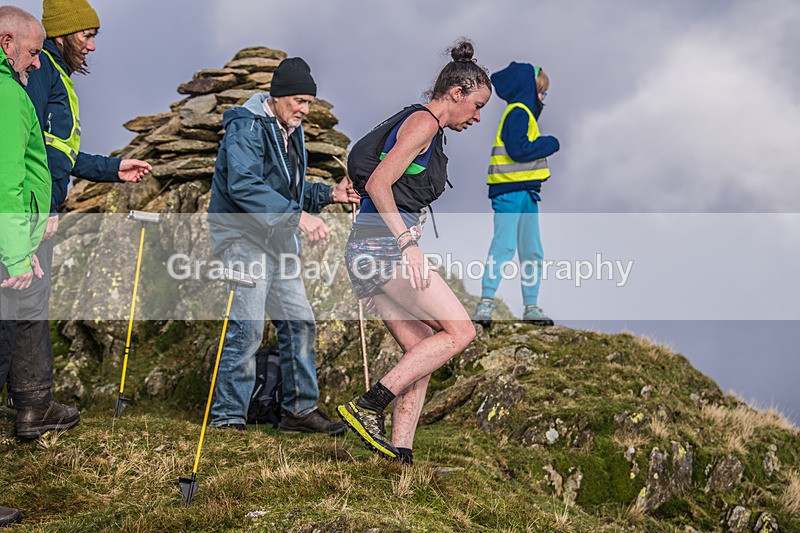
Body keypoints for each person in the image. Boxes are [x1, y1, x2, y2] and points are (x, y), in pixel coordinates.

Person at [336, 39, 491, 465]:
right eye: (476, 105)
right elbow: (377, 183)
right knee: (461, 331)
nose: (477, 117)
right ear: (456, 93)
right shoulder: (423, 124)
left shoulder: (424, 126)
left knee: (422, 348)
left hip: (367, 248)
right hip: (382, 248)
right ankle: (368, 406)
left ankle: (399, 454)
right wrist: (407, 242)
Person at [6, 0, 151, 439]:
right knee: (23, 303)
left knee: (27, 303)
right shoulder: (38, 72)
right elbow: (25, 152)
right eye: (86, 35)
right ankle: (33, 405)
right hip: (29, 213)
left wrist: (111, 168)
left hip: (32, 209)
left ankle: (32, 402)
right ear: (63, 34)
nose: (90, 46)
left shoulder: (50, 71)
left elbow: (56, 149)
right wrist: (47, 208)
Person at [208, 56, 359, 434]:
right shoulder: (247, 127)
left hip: (277, 241)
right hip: (243, 238)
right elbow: (243, 185)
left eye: (309, 102)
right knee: (248, 328)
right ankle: (228, 416)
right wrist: (296, 217)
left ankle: (298, 411)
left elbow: (285, 191)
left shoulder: (289, 130)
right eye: (300, 101)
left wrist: (330, 194)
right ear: (278, 97)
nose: (305, 110)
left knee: (300, 322)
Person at [0, 4, 50, 525]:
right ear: (4, 42)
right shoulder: (6, 95)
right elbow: (8, 179)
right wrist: (16, 252)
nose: (36, 63)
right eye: (33, 51)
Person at [473, 62, 560, 327]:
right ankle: (485, 303)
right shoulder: (519, 113)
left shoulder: (523, 114)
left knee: (532, 250)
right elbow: (518, 150)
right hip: (509, 191)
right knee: (505, 246)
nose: (543, 99)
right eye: (541, 93)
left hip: (526, 192)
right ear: (529, 90)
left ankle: (531, 306)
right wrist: (550, 143)